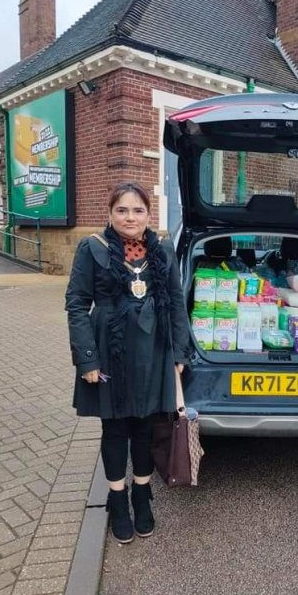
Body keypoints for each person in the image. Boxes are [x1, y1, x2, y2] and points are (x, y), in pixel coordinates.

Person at [65, 182, 191, 543]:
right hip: (109, 351)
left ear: (148, 215)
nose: (130, 217)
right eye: (122, 210)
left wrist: (179, 353)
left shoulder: (163, 248)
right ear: (110, 213)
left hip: (155, 349)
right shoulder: (93, 248)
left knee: (146, 427)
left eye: (137, 210)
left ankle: (141, 492)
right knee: (115, 428)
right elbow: (76, 304)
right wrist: (87, 359)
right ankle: (118, 499)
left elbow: (177, 302)